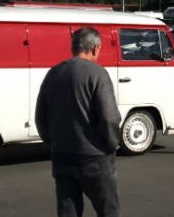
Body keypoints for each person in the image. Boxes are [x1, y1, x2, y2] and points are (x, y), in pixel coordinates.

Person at [35, 27, 122, 217]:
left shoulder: (54, 73)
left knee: (68, 211)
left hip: (62, 156)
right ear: (95, 48)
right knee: (109, 211)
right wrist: (112, 144)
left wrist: (53, 142)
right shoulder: (98, 74)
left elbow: (40, 118)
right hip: (94, 158)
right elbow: (109, 117)